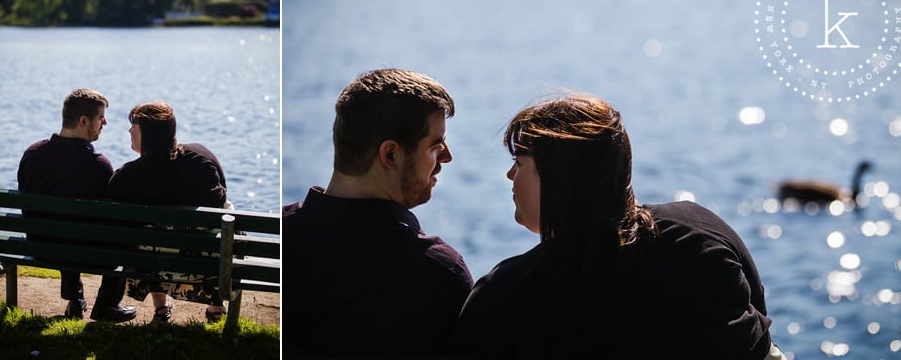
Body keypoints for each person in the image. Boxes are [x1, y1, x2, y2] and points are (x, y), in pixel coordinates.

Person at [449, 95, 783, 359]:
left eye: (519, 163)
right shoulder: (700, 232)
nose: (510, 176)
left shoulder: (506, 294)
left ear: (557, 181)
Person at [283, 68, 474, 356]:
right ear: (391, 155)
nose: (447, 157)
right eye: (436, 145)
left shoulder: (284, 235)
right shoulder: (438, 274)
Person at [17, 88, 137, 323]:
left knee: (62, 225)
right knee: (122, 231)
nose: (105, 123)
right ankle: (107, 304)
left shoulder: (32, 154)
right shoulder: (98, 166)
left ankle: (75, 298)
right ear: (84, 121)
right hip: (86, 253)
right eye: (101, 118)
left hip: (41, 247)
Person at [105, 101, 229, 323]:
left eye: (135, 126)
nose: (129, 130)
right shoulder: (202, 159)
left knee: (148, 236)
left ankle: (161, 308)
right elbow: (220, 200)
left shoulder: (129, 177)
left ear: (149, 135)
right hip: (205, 265)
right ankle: (216, 305)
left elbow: (112, 200)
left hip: (155, 265)